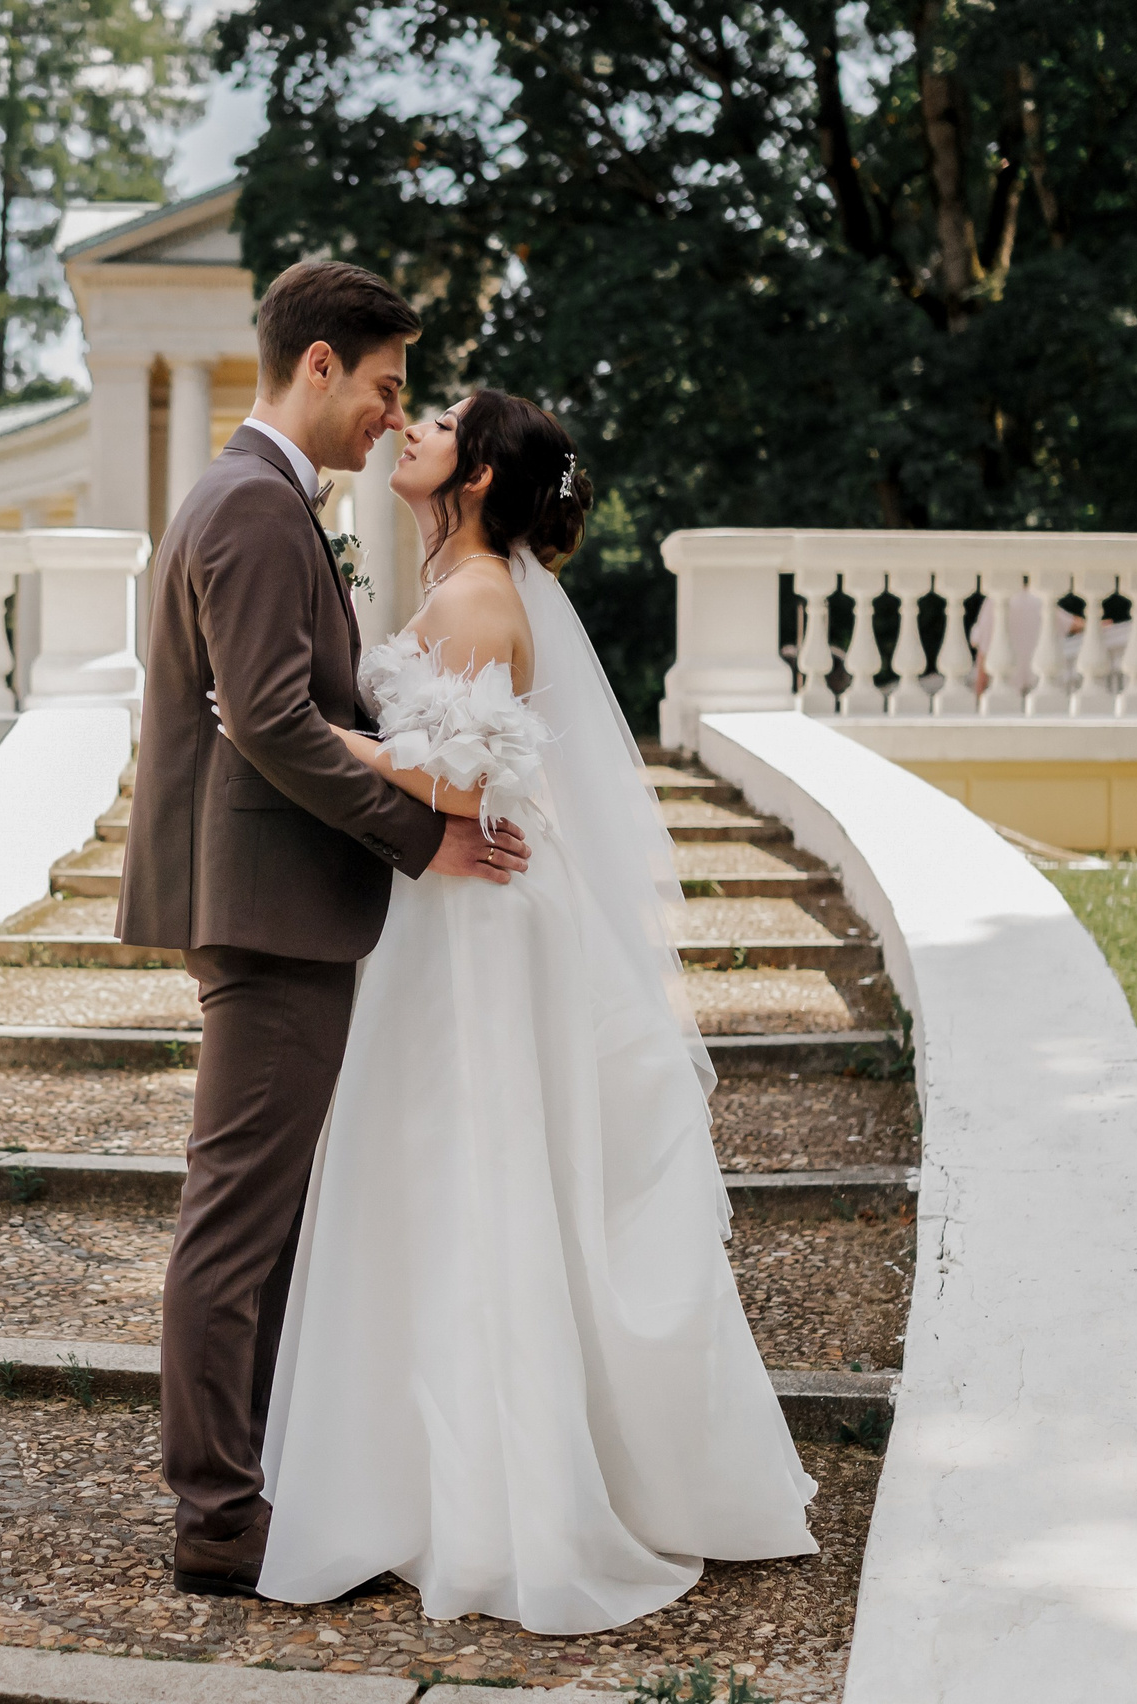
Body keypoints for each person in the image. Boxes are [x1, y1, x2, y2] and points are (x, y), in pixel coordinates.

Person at [251, 391, 819, 1630]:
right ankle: (438, 1477)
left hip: (479, 930)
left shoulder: (474, 598)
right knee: (449, 1174)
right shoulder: (462, 583)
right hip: (454, 913)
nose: (414, 423)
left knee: (471, 1175)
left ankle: (494, 1496)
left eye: (442, 420)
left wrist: (295, 738)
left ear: (480, 472)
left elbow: (453, 775)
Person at [116, 260, 530, 1601]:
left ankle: (256, 1475)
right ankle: (217, 1518)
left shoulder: (272, 503)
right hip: (268, 913)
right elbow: (276, 721)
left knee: (273, 1218)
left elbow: (311, 706)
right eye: (385, 385)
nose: (389, 414)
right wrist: (426, 836)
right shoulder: (247, 505)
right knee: (238, 1222)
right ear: (318, 367)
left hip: (291, 907)